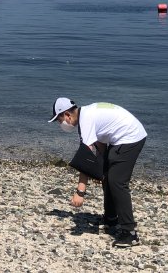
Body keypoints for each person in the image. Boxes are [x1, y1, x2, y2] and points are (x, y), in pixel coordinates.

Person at [48, 97, 147, 247]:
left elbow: (86, 159)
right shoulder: (86, 115)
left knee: (117, 182)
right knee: (108, 176)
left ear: (67, 114)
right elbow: (99, 145)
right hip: (120, 138)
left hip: (130, 137)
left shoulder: (86, 120)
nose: (60, 124)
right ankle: (110, 218)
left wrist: (80, 192)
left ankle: (129, 233)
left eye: (59, 120)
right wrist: (100, 170)